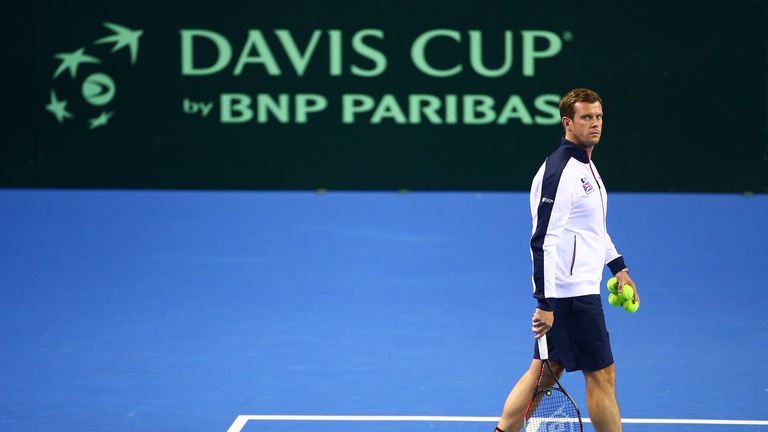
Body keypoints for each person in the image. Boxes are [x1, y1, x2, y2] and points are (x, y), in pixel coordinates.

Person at [494, 88, 639, 432]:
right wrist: (545, 303)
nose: (595, 124)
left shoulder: (585, 164)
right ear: (568, 123)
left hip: (576, 289)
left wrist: (618, 267)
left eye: (599, 117)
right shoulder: (562, 172)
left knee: (545, 373)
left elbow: (592, 227)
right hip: (571, 295)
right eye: (586, 117)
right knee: (602, 375)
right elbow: (543, 240)